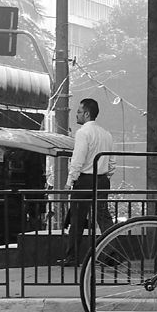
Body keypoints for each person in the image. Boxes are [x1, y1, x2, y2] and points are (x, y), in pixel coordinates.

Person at [59, 98, 116, 266]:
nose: (76, 114)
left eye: (78, 111)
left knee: (77, 219)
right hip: (102, 180)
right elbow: (112, 162)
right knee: (104, 217)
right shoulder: (106, 134)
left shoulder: (83, 133)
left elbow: (78, 159)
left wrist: (70, 181)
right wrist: (105, 177)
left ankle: (72, 257)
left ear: (87, 113)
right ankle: (111, 254)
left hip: (84, 180)